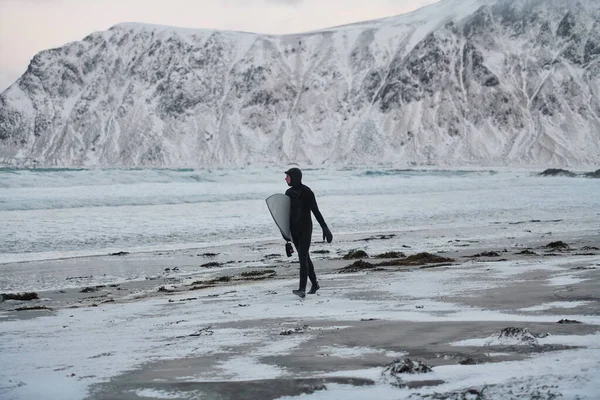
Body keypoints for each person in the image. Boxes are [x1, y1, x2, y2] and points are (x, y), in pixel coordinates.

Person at [284, 167, 333, 298]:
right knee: (305, 257)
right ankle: (315, 284)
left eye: (287, 176)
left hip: (305, 229)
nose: (285, 179)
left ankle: (301, 289)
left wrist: (324, 227)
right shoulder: (288, 193)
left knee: (303, 257)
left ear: (294, 177)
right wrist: (285, 234)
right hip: (294, 231)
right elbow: (285, 215)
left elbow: (316, 211)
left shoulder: (307, 192)